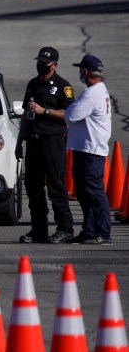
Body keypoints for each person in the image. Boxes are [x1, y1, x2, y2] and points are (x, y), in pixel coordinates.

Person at [15, 47, 74, 244]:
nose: (40, 66)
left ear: (54, 65)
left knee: (56, 186)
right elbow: (25, 114)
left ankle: (65, 229)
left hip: (53, 141)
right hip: (34, 141)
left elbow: (69, 114)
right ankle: (38, 229)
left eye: (45, 64)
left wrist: (45, 111)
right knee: (33, 187)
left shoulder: (63, 86)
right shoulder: (32, 84)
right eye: (39, 62)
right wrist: (19, 142)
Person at [65, 54, 112, 244]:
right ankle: (90, 230)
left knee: (94, 193)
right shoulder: (99, 90)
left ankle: (103, 232)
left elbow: (71, 115)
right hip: (87, 149)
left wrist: (70, 109)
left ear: (85, 72)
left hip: (90, 151)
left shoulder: (91, 93)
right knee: (84, 193)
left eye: (81, 70)